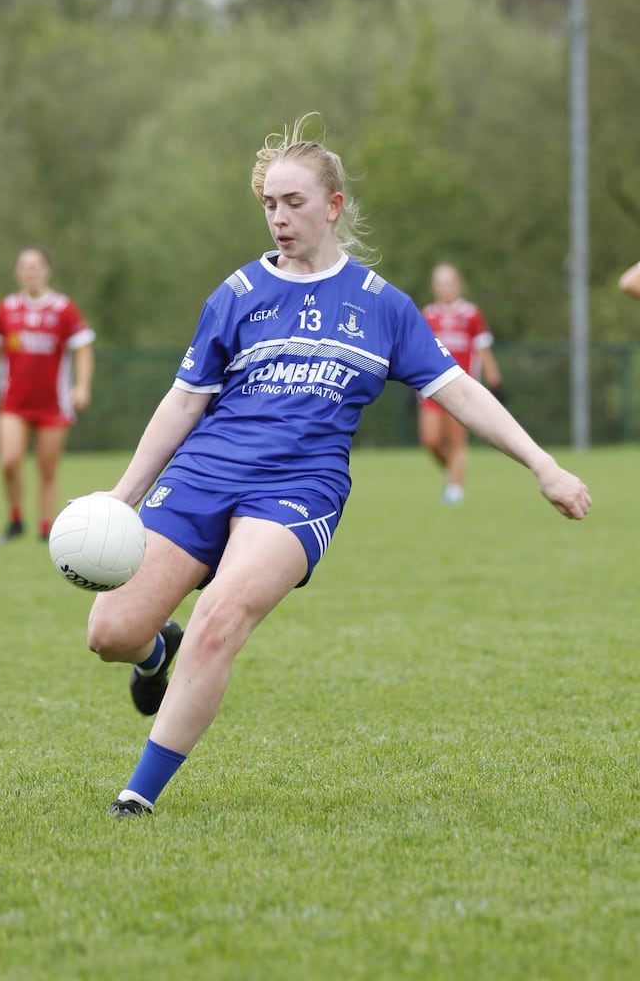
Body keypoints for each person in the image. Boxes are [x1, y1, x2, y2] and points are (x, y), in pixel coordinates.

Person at [84, 114, 591, 819]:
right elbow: (181, 403)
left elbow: (462, 392)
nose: (279, 219)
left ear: (333, 206)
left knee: (220, 618)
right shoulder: (236, 294)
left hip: (298, 488)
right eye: (269, 205)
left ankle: (136, 797)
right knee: (109, 634)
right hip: (204, 473)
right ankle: (151, 655)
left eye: (293, 204)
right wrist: (122, 497)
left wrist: (544, 465)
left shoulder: (383, 308)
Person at [0, 246, 95, 543]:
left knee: (47, 468)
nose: (31, 271)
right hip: (13, 403)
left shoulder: (64, 309)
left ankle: (45, 527)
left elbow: (83, 350)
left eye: (36, 265)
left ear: (47, 270)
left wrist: (82, 385)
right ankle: (15, 518)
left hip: (53, 404)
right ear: (17, 272)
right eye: (25, 266)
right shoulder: (7, 308)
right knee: (9, 461)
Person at [419, 263, 504, 505]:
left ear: (458, 284)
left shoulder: (471, 314)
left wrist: (495, 381)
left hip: (463, 387)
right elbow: (419, 352)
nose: (445, 287)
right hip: (431, 387)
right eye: (440, 283)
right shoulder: (428, 314)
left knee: (457, 440)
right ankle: (452, 471)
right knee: (431, 439)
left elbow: (483, 350)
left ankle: (455, 489)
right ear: (434, 287)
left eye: (449, 282)